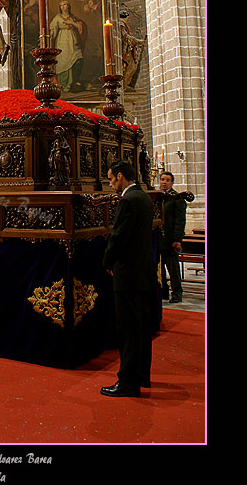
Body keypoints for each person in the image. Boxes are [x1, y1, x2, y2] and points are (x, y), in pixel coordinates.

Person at [101, 159, 155, 397]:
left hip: (128, 273)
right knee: (141, 327)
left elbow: (119, 236)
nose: (111, 184)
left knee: (129, 330)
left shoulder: (128, 200)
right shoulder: (144, 197)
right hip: (142, 271)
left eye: (112, 179)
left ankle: (128, 383)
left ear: (120, 176)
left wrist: (107, 261)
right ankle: (143, 374)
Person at [159, 171, 186, 303]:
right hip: (159, 239)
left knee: (173, 268)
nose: (164, 182)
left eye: (167, 180)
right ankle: (163, 291)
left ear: (172, 182)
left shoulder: (177, 198)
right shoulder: (158, 197)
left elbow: (180, 221)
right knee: (160, 269)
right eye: (162, 179)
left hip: (170, 239)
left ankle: (177, 293)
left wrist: (177, 240)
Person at [50, 1, 87, 91]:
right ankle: (64, 83)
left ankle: (74, 81)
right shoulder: (57, 17)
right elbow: (53, 29)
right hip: (62, 40)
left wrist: (72, 23)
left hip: (73, 39)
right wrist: (50, 34)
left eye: (64, 4)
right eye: (61, 5)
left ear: (68, 6)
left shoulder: (73, 18)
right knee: (63, 60)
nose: (63, 7)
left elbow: (81, 27)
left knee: (78, 58)